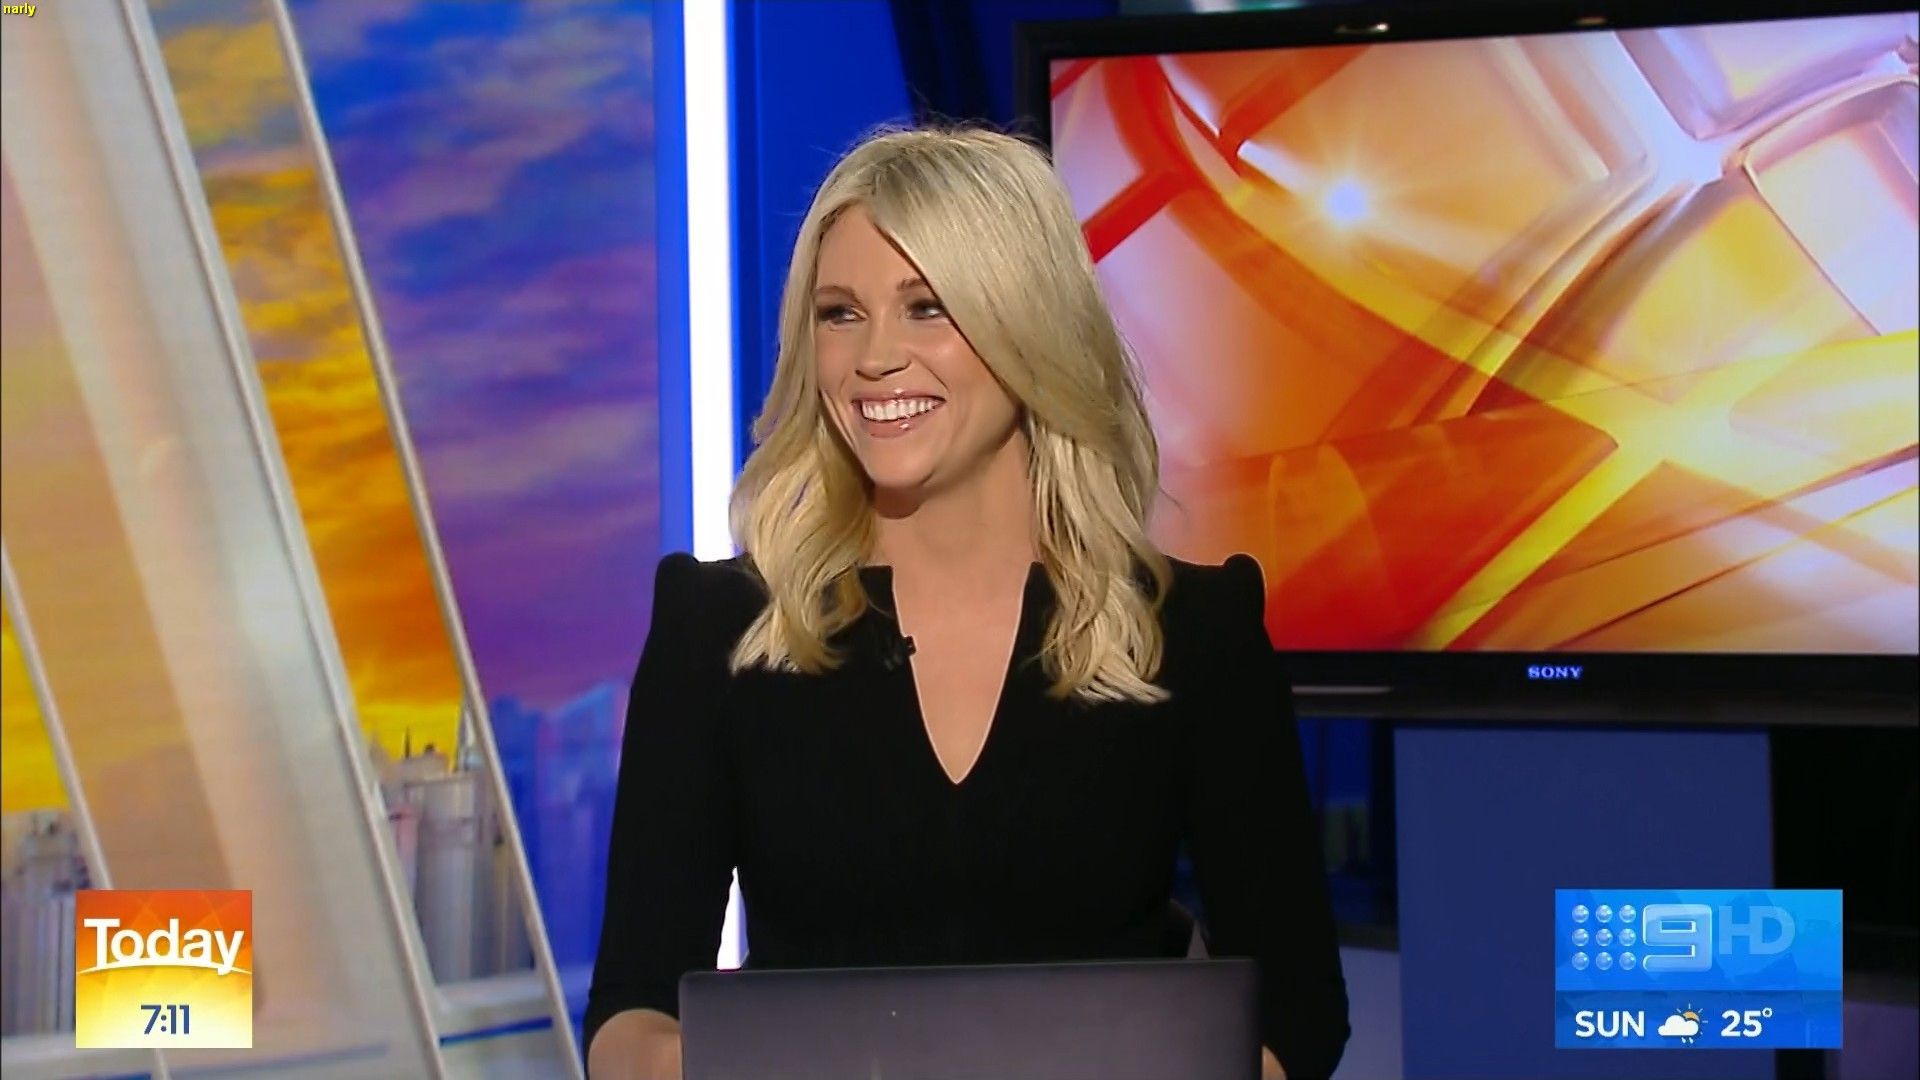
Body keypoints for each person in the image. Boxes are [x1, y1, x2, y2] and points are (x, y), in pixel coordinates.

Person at [583, 125, 1348, 1080]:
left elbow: (1299, 1016)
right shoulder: (718, 631)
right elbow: (628, 1015)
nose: (874, 357)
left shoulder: (1193, 634)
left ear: (1028, 329)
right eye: (840, 313)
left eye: (927, 307)